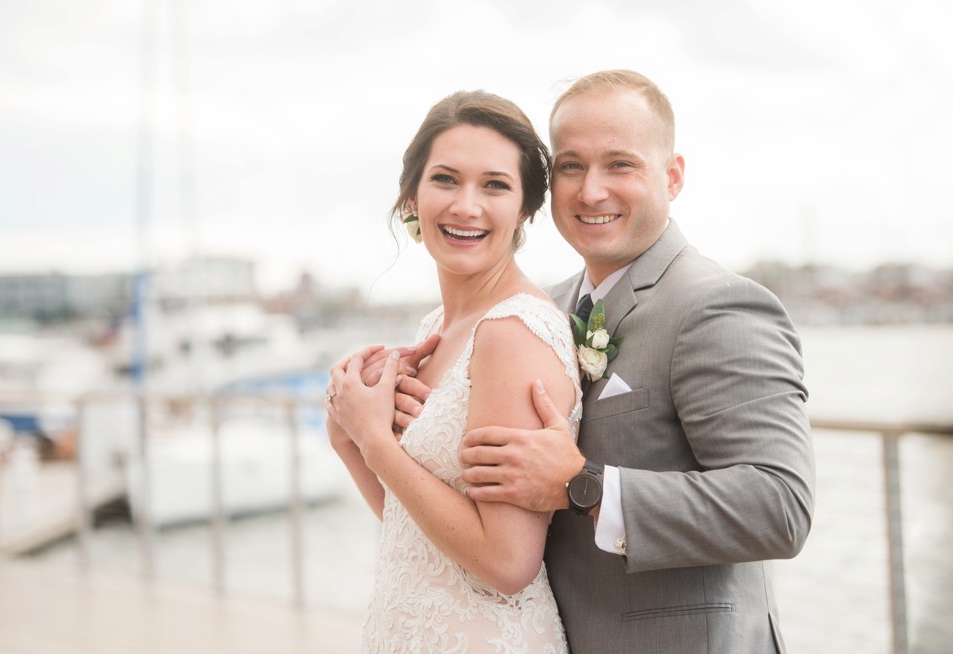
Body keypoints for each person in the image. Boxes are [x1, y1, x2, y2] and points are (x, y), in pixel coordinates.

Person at [397, 70, 815, 653]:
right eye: (571, 165)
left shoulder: (716, 305)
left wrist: (581, 484)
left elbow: (781, 506)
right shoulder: (544, 309)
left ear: (672, 176)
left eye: (620, 164)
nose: (591, 191)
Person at [324, 90, 582, 653]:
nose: (467, 205)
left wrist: (376, 441)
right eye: (445, 179)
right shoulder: (437, 326)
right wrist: (347, 435)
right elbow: (413, 530)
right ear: (411, 196)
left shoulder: (513, 332)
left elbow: (507, 561)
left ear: (526, 209)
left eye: (494, 185)